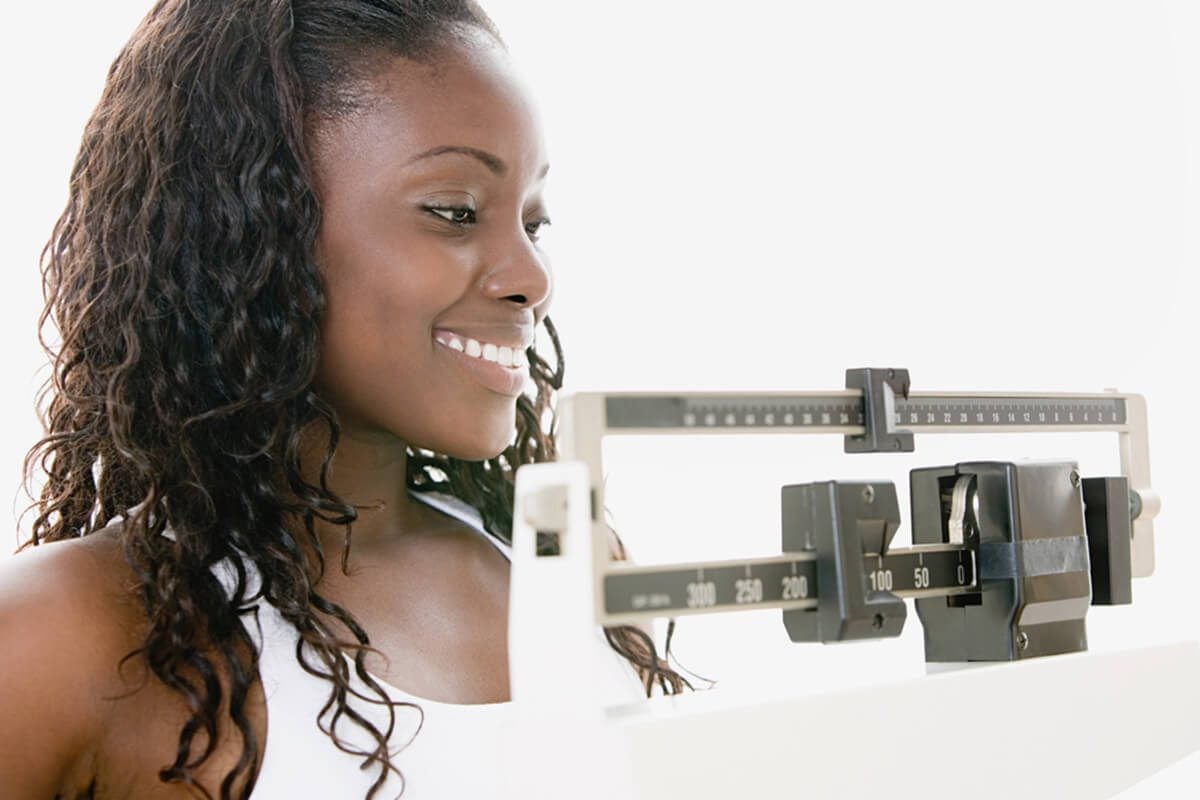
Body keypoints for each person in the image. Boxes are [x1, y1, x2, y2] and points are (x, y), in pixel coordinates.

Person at [0, 1, 687, 797]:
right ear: (248, 229)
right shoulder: (68, 639)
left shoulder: (569, 576)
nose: (531, 278)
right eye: (455, 212)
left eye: (534, 221)